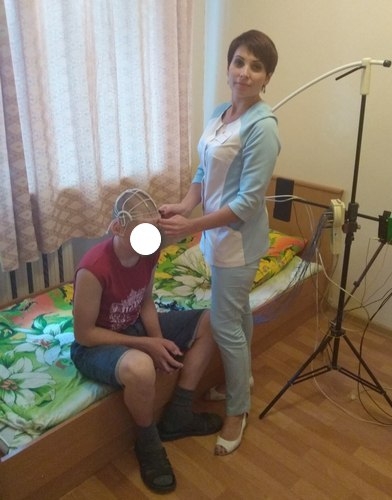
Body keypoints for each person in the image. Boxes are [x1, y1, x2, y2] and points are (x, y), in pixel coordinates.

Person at [159, 29, 280, 456]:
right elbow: (203, 172)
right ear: (229, 66)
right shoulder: (219, 114)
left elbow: (247, 203)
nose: (244, 72)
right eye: (239, 61)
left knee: (225, 324)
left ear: (267, 78)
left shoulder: (262, 128)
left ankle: (237, 410)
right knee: (237, 312)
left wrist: (190, 227)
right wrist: (184, 206)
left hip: (239, 244)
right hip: (215, 235)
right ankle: (241, 380)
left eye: (256, 67)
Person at [71, 188, 222, 494]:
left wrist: (158, 340)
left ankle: (179, 413)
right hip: (95, 345)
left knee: (212, 320)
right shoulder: (93, 268)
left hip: (133, 327)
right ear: (118, 227)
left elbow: (145, 302)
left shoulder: (148, 253)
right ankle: (148, 442)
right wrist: (147, 346)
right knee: (141, 368)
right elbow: (84, 334)